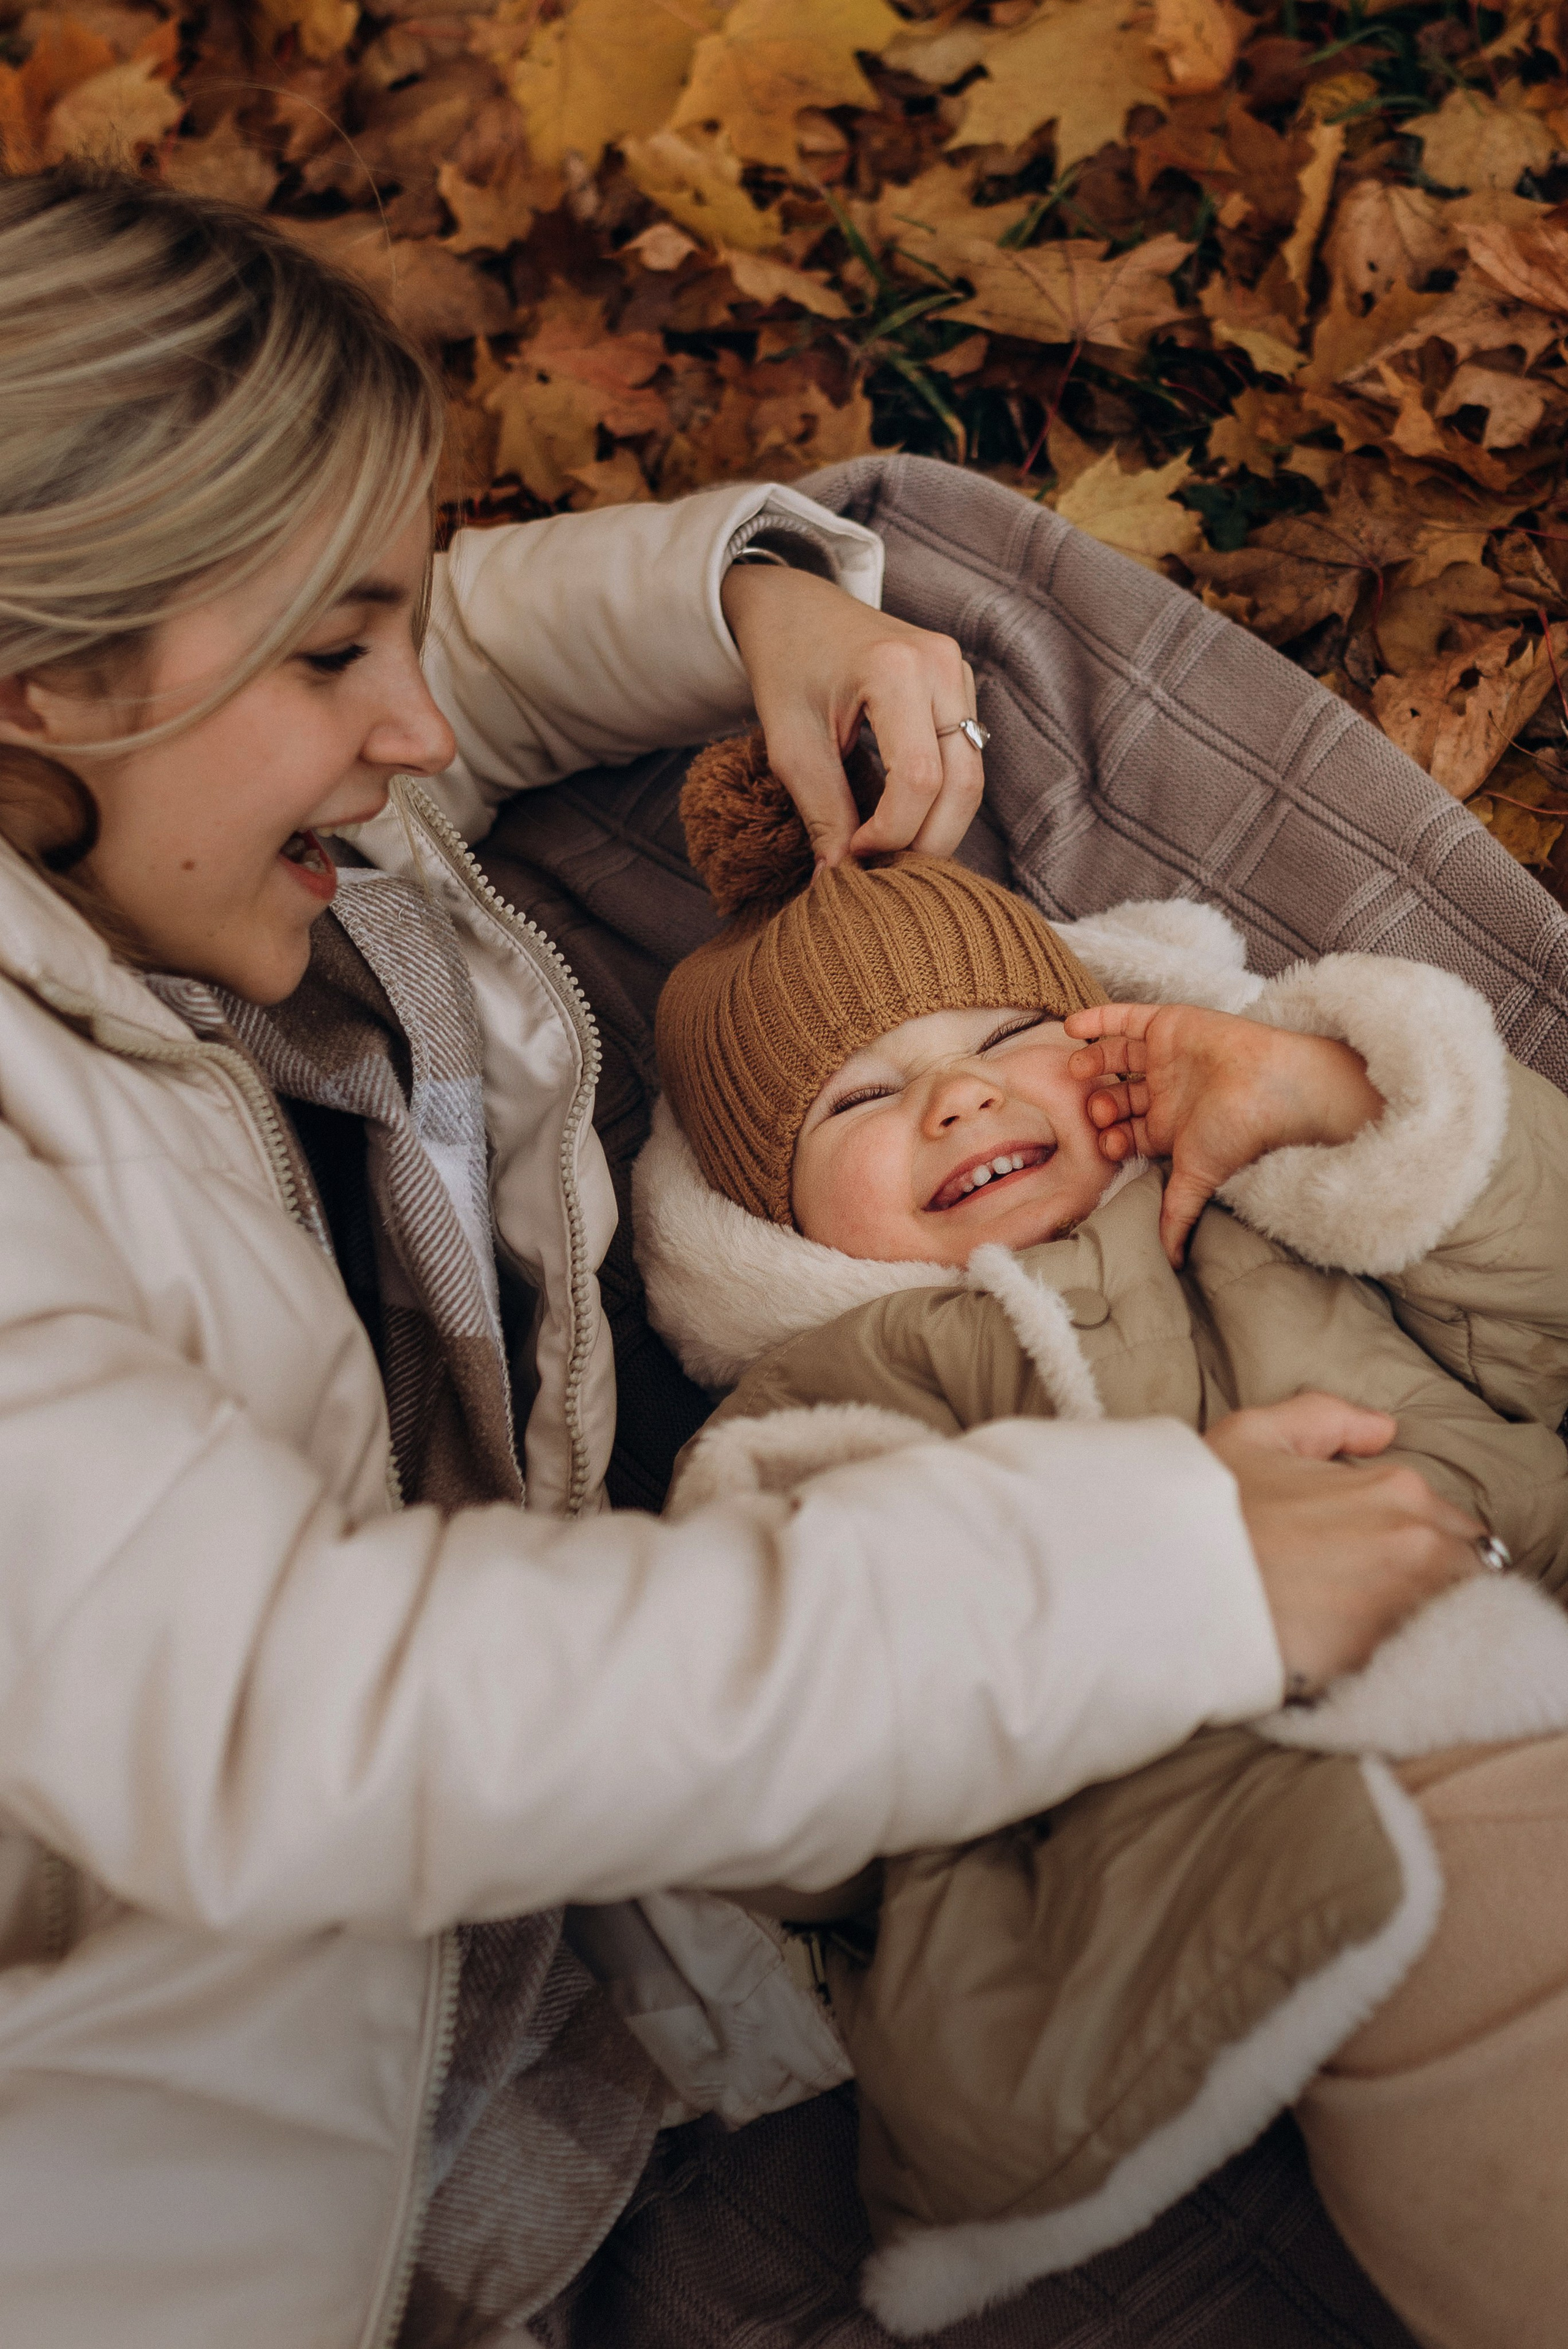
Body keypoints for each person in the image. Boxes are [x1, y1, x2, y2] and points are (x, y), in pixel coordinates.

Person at [0, 164, 1485, 2349]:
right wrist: (1140, 1576)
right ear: (46, 684)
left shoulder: (144, 829)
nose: (410, 726)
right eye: (336, 655)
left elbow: (461, 663)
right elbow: (286, 1713)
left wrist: (754, 596)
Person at [636, 728, 1568, 2345]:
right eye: (862, 1095)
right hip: (1255, 1862)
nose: (961, 1092)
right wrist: (1155, 1546)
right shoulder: (827, 1405)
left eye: (1010, 1033)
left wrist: (1331, 1094)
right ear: (766, 1226)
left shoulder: (1284, 1187)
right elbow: (799, 1775)